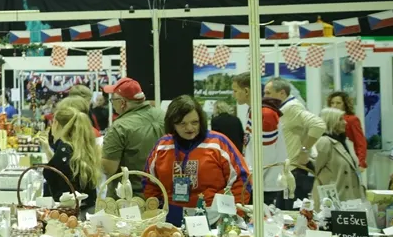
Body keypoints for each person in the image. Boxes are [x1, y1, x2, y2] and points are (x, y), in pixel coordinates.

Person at [144, 96, 249, 225]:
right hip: (171, 219)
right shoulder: (162, 146)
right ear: (172, 124)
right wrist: (155, 210)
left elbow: (242, 180)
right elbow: (149, 181)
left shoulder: (218, 143)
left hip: (214, 219)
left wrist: (231, 216)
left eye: (195, 122)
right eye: (182, 123)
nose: (189, 128)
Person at [231, 72, 287, 204]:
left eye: (235, 90)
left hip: (264, 183)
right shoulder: (256, 110)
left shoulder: (265, 113)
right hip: (259, 181)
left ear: (246, 91)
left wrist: (253, 179)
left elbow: (266, 154)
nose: (233, 94)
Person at [264, 78, 325, 200]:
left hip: (294, 171)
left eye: (268, 93)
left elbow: (318, 125)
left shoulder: (292, 107)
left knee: (293, 210)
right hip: (286, 170)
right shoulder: (282, 109)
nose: (265, 97)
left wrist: (304, 150)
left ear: (282, 93)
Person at [100, 78, 165, 184]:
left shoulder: (119, 127)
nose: (112, 104)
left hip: (130, 191)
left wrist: (95, 154)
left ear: (122, 103)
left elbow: (109, 168)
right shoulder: (163, 116)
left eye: (113, 100)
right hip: (161, 189)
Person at [39, 104, 102, 212]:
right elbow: (60, 167)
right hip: (87, 208)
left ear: (55, 123)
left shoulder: (64, 149)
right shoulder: (79, 147)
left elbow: (57, 173)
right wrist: (48, 149)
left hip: (70, 212)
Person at [313, 107, 365, 204]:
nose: (345, 122)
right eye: (340, 119)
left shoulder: (346, 142)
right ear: (331, 121)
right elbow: (315, 169)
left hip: (351, 200)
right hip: (333, 200)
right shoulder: (325, 142)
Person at [326, 91, 367, 170]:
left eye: (338, 103)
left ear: (345, 104)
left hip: (347, 155)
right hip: (331, 157)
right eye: (332, 103)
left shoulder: (352, 120)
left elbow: (360, 142)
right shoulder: (328, 118)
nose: (334, 106)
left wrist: (361, 162)